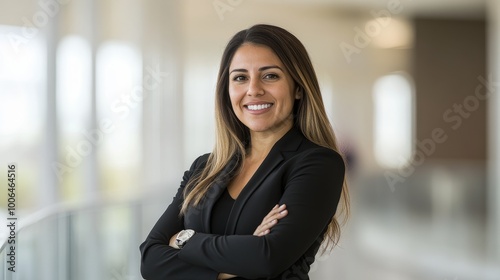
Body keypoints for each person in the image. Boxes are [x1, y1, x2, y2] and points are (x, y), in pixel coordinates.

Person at [139, 24, 349, 280]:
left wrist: (183, 239)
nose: (253, 89)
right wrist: (238, 259)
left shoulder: (318, 164)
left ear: (298, 87)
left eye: (270, 76)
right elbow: (150, 259)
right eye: (240, 77)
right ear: (227, 91)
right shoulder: (204, 168)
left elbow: (266, 258)